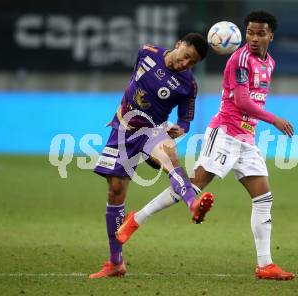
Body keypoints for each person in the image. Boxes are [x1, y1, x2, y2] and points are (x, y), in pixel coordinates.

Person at [117, 11, 296, 281]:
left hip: (247, 138)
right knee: (194, 187)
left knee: (263, 199)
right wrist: (274, 119)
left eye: (260, 33)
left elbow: (254, 104)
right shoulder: (239, 60)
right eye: (250, 33)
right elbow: (243, 102)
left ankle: (265, 265)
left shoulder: (269, 63)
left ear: (271, 35)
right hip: (224, 133)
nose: (254, 38)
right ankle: (136, 219)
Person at [89, 33, 215, 278]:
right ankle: (116, 263)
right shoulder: (146, 52)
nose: (186, 64)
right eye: (186, 57)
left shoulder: (189, 84)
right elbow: (134, 83)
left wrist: (179, 129)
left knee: (169, 159)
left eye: (192, 63)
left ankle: (193, 204)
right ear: (179, 45)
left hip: (153, 130)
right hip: (123, 130)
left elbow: (185, 121)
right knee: (115, 191)